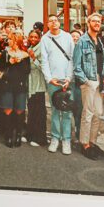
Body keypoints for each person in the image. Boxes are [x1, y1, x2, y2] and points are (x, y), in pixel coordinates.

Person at [73, 11, 104, 160]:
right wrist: (86, 81)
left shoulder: (99, 41)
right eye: (94, 21)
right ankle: (84, 144)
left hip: (99, 80)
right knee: (87, 113)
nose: (96, 24)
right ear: (88, 23)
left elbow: (103, 61)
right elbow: (76, 66)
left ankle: (92, 142)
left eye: (98, 22)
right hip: (88, 81)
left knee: (98, 113)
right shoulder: (82, 41)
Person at [39, 14, 74, 154]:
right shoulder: (45, 39)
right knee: (54, 110)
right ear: (47, 24)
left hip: (67, 79)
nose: (54, 23)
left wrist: (68, 78)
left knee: (67, 111)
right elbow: (44, 60)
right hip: (53, 80)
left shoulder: (67, 37)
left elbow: (71, 58)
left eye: (56, 20)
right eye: (51, 21)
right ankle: (54, 138)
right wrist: (49, 78)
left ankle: (66, 140)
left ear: (59, 23)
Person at [0, 28, 30, 147]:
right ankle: (8, 135)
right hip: (7, 85)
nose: (8, 41)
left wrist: (20, 62)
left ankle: (18, 135)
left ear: (17, 41)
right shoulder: (5, 53)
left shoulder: (25, 55)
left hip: (20, 86)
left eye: (11, 39)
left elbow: (27, 71)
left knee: (20, 110)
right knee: (8, 109)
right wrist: (9, 63)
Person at [25, 29, 48, 147]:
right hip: (30, 82)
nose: (33, 39)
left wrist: (34, 58)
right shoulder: (28, 47)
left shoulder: (41, 48)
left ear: (39, 38)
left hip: (39, 82)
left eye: (35, 37)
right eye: (31, 37)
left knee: (39, 111)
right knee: (31, 109)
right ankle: (30, 134)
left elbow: (44, 67)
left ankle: (40, 138)